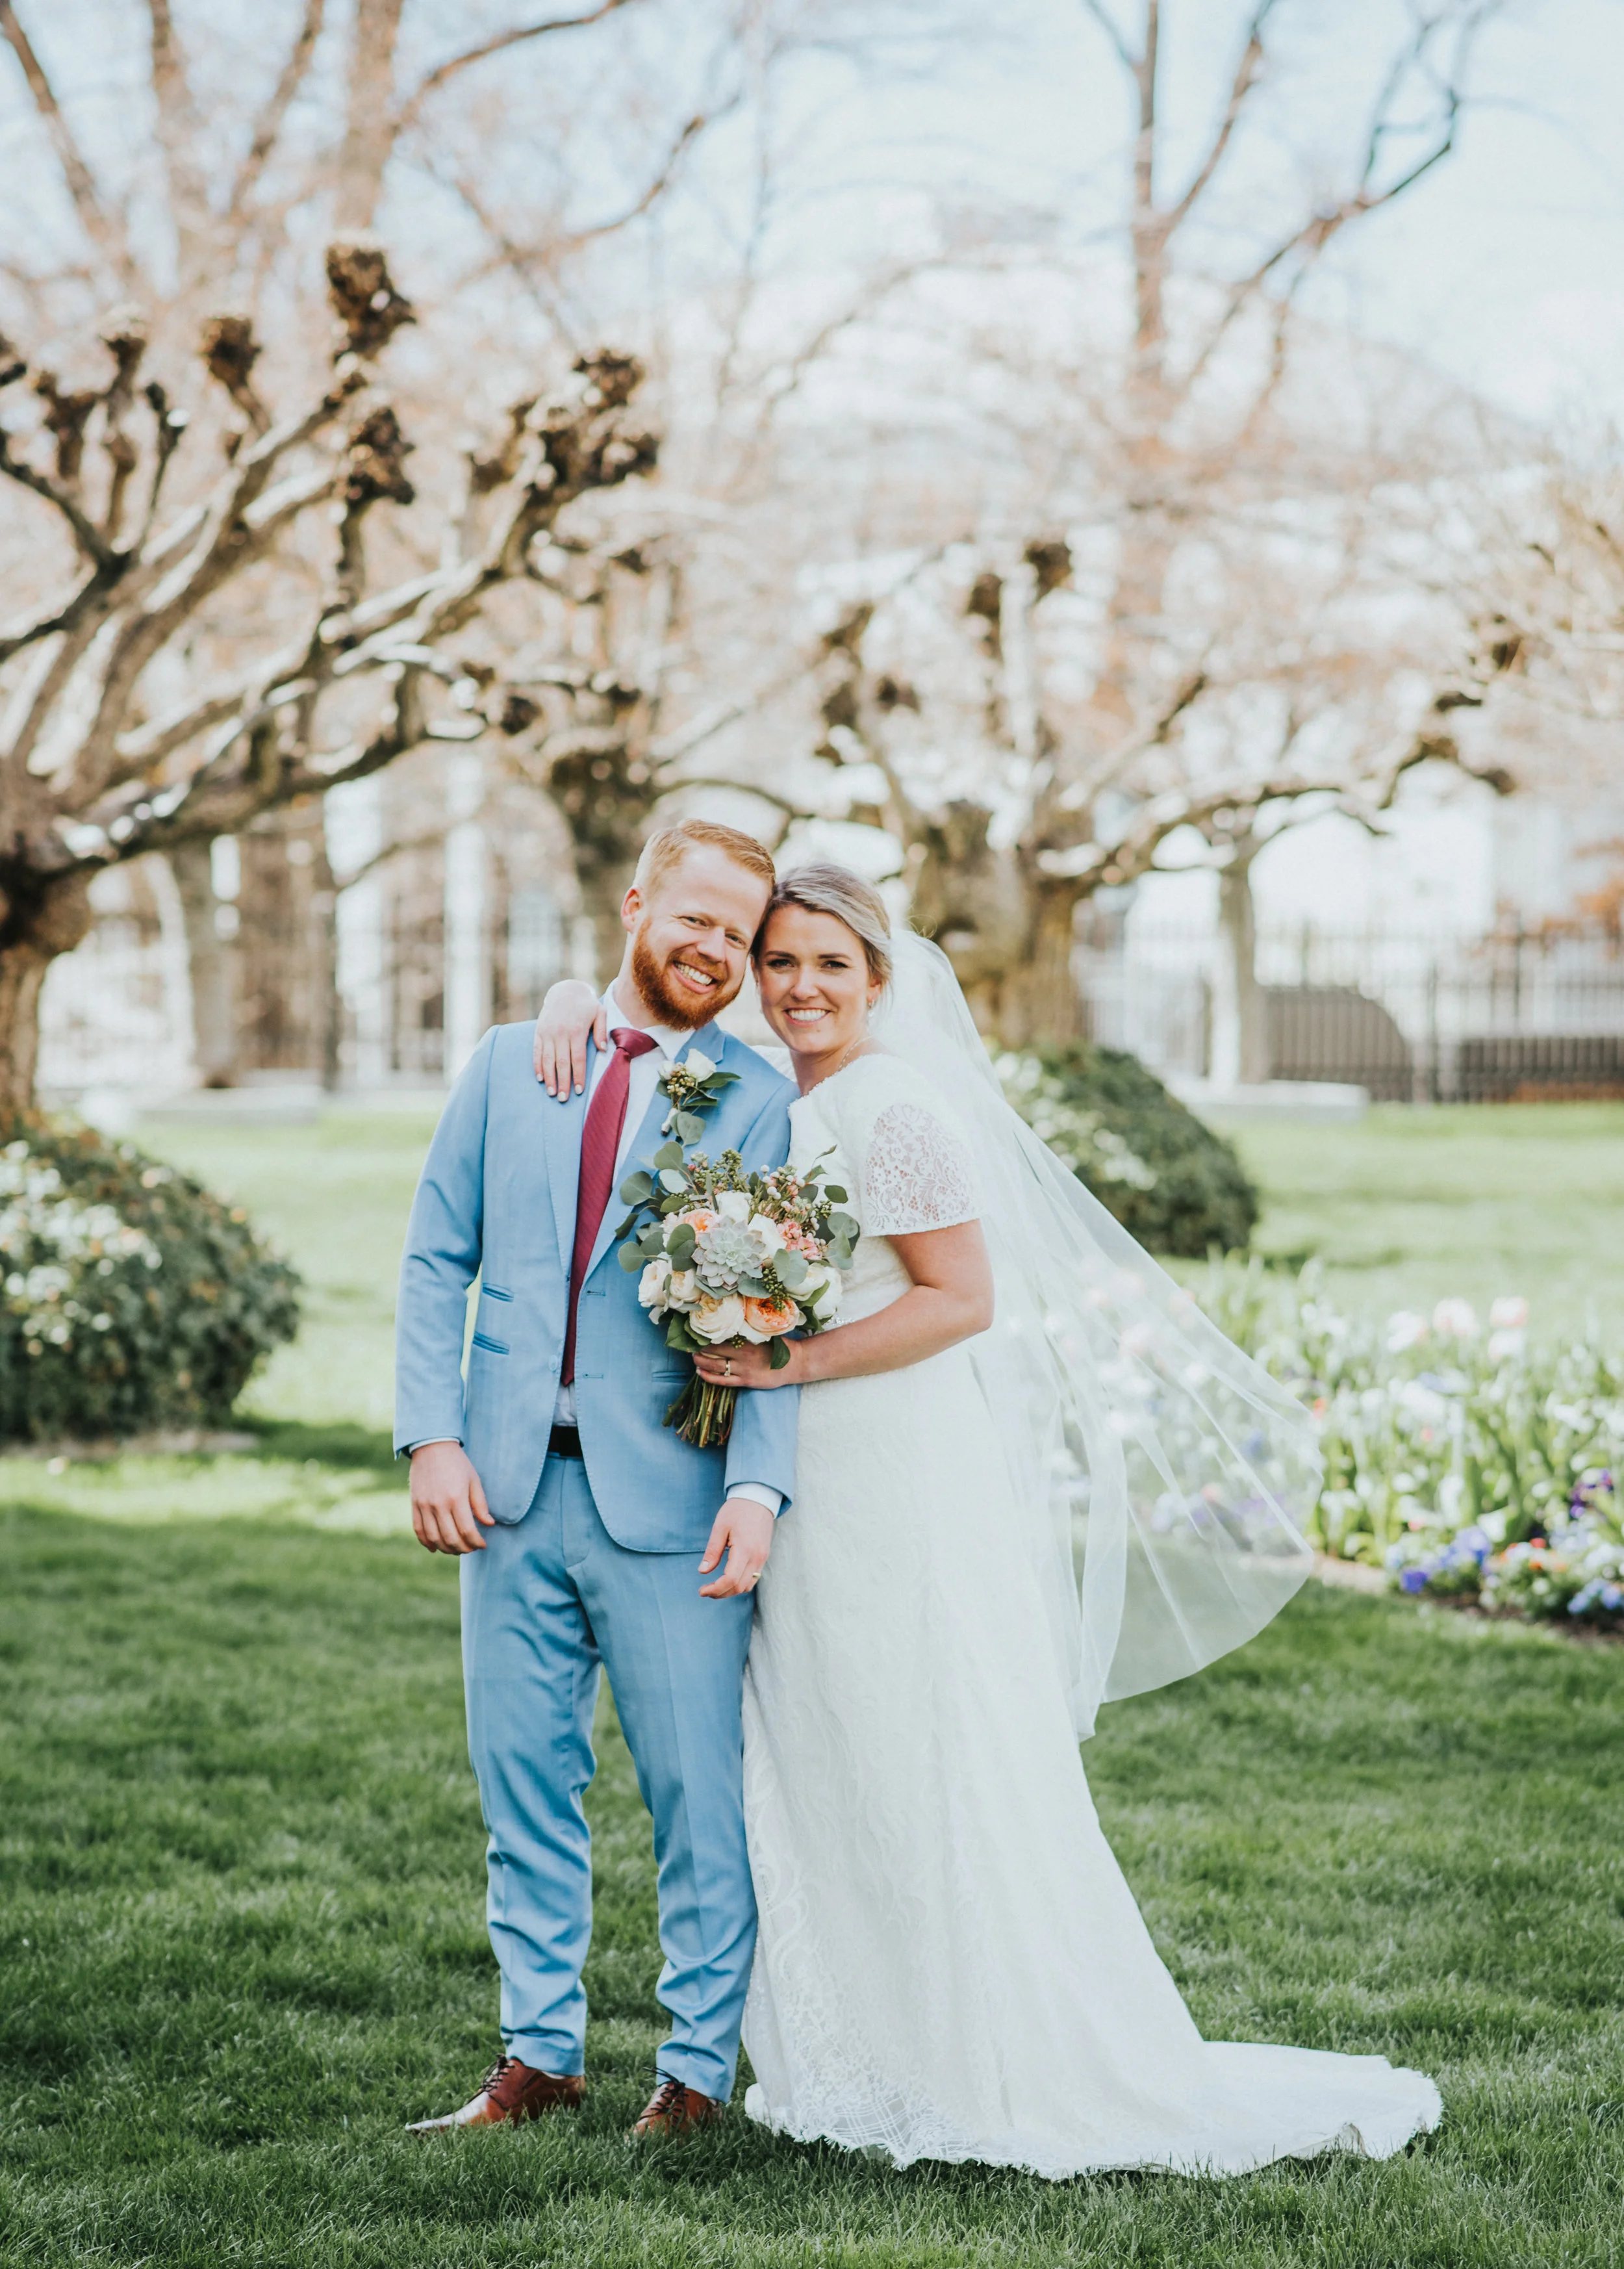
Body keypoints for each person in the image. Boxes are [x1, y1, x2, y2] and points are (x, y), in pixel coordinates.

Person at [530, 861, 1442, 2176]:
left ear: (879, 982)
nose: (797, 986)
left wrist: (788, 1362)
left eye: (828, 966)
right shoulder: (770, 1088)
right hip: (795, 1470)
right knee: (824, 1742)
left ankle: (985, 2057)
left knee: (922, 1740)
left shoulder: (890, 1107)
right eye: (778, 962)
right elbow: (639, 1018)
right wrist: (570, 988)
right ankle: (864, 2048)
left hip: (890, 1462)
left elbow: (961, 1297)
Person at [394, 819, 799, 2141]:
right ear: (635, 902)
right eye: (694, 917)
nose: (714, 949)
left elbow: (778, 1306)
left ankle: (691, 2071)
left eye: (737, 936)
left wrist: (759, 1486)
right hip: (505, 1484)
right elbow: (433, 1258)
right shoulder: (514, 1061)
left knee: (694, 1796)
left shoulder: (757, 1094)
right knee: (523, 1785)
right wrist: (430, 1435)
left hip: (673, 1500)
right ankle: (538, 2054)